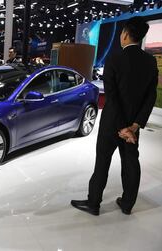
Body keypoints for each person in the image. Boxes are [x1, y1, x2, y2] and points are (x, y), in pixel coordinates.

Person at [71, 17, 158, 216]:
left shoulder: (114, 58)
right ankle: (127, 204)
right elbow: (150, 96)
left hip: (112, 123)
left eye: (121, 33)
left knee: (102, 161)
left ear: (126, 34)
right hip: (133, 127)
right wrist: (135, 125)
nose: (120, 36)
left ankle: (94, 203)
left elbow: (112, 96)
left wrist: (121, 127)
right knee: (131, 162)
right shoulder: (150, 61)